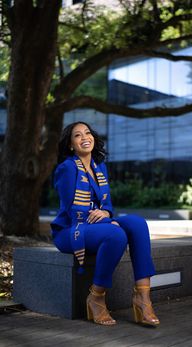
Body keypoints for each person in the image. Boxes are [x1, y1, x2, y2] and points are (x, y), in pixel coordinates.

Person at [51, 121, 160, 327]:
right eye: (77, 135)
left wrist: (107, 214)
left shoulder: (99, 167)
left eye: (88, 133)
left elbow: (107, 204)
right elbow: (70, 208)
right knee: (115, 234)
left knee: (137, 223)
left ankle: (143, 297)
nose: (85, 137)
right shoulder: (66, 168)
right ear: (70, 145)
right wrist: (110, 222)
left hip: (98, 223)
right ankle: (96, 297)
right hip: (71, 229)